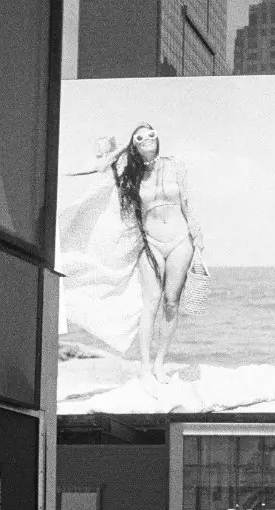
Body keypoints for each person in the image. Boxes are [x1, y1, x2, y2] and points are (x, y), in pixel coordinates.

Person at [58, 124, 204, 388]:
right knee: (150, 304)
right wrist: (123, 149)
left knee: (171, 302)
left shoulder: (175, 165)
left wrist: (200, 244)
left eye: (151, 135)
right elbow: (97, 168)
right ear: (134, 144)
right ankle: (146, 368)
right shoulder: (132, 173)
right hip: (151, 243)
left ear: (159, 139)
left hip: (180, 240)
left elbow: (188, 205)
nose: (147, 139)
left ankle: (160, 364)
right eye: (140, 137)